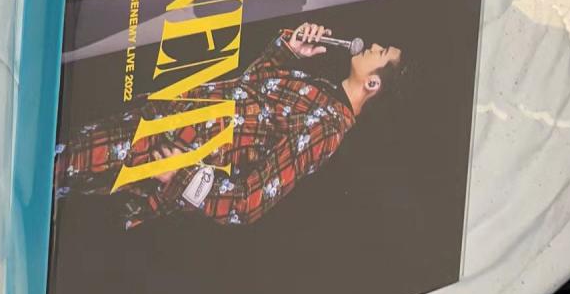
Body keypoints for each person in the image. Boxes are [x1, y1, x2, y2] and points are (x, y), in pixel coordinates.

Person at [54, 23, 402, 228]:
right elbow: (247, 93)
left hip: (155, 153)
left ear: (373, 84)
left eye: (382, 51)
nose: (373, 45)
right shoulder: (323, 91)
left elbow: (249, 202)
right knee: (56, 162)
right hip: (155, 123)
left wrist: (180, 175)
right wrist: (287, 51)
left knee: (53, 168)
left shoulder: (327, 127)